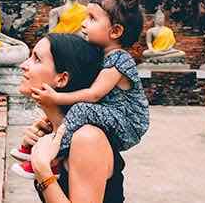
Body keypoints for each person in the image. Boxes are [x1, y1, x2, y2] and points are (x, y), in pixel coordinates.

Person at [30, 0, 150, 160]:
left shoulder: (119, 58)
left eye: (92, 19)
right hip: (111, 114)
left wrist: (55, 98)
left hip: (128, 122)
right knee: (76, 109)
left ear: (115, 31)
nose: (84, 23)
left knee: (81, 109)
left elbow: (93, 94)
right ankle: (48, 144)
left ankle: (54, 153)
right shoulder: (100, 56)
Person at [17, 34, 126, 202]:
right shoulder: (56, 131)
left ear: (61, 79)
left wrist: (42, 169)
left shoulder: (88, 138)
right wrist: (34, 147)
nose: (24, 65)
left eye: (37, 59)